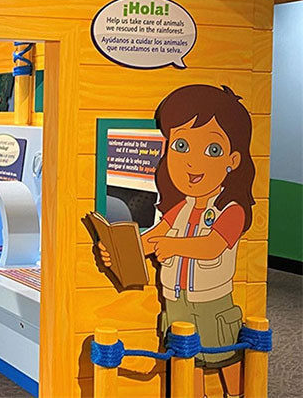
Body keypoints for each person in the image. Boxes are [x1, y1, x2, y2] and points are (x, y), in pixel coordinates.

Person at [96, 85, 255, 398]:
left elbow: (212, 245)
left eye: (212, 150)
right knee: (186, 365)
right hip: (176, 304)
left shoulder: (231, 210)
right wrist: (118, 250)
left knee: (226, 359)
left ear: (233, 160)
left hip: (213, 306)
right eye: (181, 146)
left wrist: (173, 246)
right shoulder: (181, 208)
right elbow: (152, 239)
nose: (192, 162)